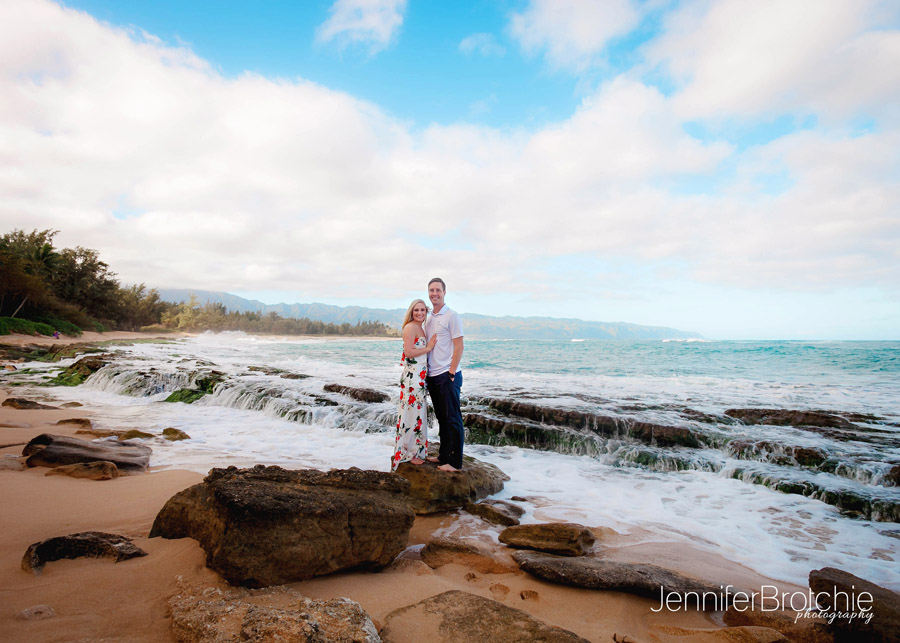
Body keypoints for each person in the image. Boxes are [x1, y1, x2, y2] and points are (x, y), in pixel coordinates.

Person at [391, 299, 437, 471]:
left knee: (418, 412)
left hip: (420, 376)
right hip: (412, 378)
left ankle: (417, 451)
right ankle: (408, 454)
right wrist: (429, 347)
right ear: (411, 312)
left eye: (423, 310)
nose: (420, 313)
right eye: (416, 310)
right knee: (411, 413)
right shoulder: (410, 327)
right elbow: (409, 352)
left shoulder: (421, 328)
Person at [424, 277, 465, 472]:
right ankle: (443, 456)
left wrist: (451, 372)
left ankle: (455, 463)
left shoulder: (452, 316)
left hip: (448, 375)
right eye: (431, 290)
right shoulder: (429, 317)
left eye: (438, 290)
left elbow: (459, 345)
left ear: (444, 292)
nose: (434, 294)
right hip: (433, 375)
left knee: (453, 419)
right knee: (441, 418)